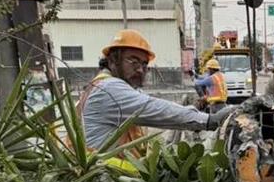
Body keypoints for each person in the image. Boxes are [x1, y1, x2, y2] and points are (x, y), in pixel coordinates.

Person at [77, 30, 230, 151]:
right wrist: (210, 121)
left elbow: (155, 104)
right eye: (133, 61)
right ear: (112, 61)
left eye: (144, 64)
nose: (140, 69)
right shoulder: (108, 89)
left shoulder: (104, 85)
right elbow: (155, 109)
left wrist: (193, 110)